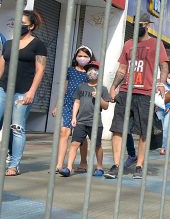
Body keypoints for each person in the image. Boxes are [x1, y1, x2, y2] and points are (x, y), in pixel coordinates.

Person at [106, 13, 168, 180]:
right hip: (126, 92)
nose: (139, 26)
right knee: (117, 128)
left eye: (142, 24)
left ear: (148, 25)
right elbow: (122, 69)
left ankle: (139, 165)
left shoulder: (156, 44)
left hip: (145, 93)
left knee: (143, 132)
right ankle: (116, 164)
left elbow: (164, 66)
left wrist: (161, 84)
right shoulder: (128, 44)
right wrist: (113, 86)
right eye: (136, 23)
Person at [0, 10, 47, 176]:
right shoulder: (9, 44)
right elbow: (2, 65)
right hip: (4, 89)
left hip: (23, 92)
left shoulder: (38, 44)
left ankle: (14, 165)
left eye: (23, 24)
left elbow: (40, 70)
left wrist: (32, 92)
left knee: (17, 128)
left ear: (31, 26)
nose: (18, 26)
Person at [59, 61, 110, 177]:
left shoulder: (103, 89)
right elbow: (77, 102)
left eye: (95, 70)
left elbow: (106, 106)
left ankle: (100, 167)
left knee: (97, 146)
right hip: (80, 121)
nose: (92, 72)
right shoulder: (81, 87)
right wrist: (73, 117)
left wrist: (98, 98)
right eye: (90, 70)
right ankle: (68, 168)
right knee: (74, 144)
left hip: (95, 123)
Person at [53, 45, 92, 173]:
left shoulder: (90, 73)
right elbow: (64, 88)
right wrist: (57, 105)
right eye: (80, 56)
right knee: (64, 132)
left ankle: (83, 162)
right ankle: (59, 164)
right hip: (68, 103)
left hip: (84, 105)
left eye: (85, 56)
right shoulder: (69, 71)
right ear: (75, 57)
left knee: (81, 136)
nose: (82, 58)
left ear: (90, 58)